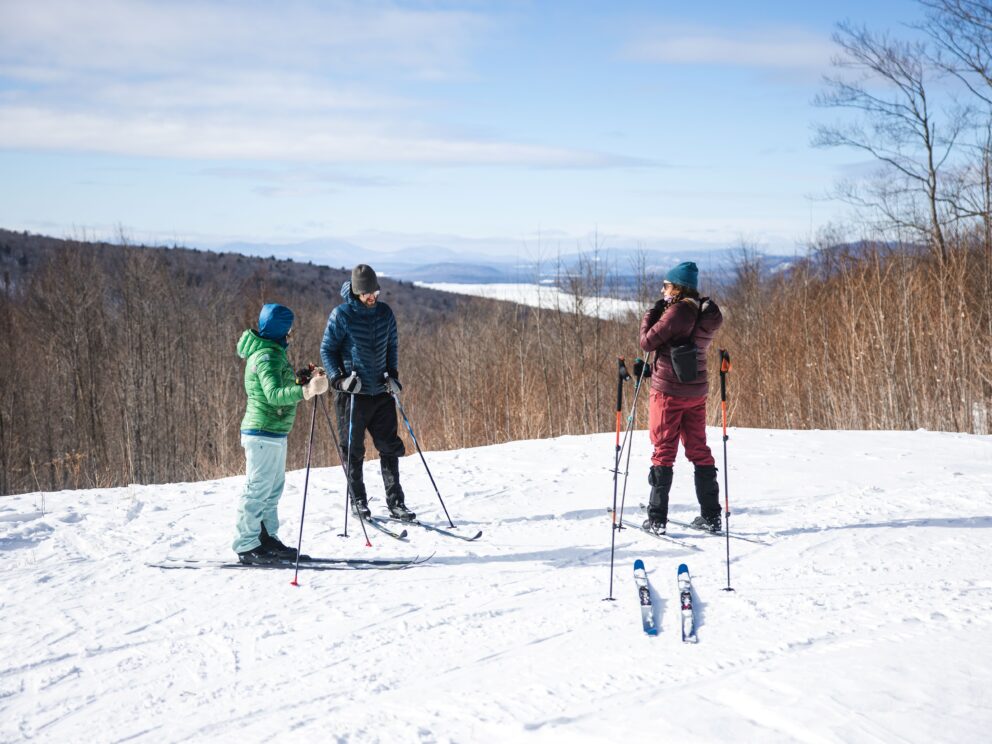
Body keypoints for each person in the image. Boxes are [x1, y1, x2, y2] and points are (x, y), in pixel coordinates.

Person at [233, 303, 328, 563]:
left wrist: (303, 378)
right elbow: (274, 395)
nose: (290, 335)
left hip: (273, 432)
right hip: (262, 431)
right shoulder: (266, 356)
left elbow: (279, 384)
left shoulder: (272, 352)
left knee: (272, 489)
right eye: (288, 330)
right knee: (258, 488)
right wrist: (307, 391)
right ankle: (246, 543)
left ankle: (266, 538)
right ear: (280, 330)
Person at [320, 264, 415, 522]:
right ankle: (358, 502)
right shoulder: (341, 315)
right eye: (366, 293)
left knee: (389, 446)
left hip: (381, 392)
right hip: (353, 394)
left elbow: (392, 346)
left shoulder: (385, 313)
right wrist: (339, 379)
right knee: (353, 449)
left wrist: (393, 376)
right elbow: (327, 350)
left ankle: (397, 503)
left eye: (374, 291)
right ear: (355, 291)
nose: (371, 297)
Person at [638, 261, 724, 534]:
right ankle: (711, 516)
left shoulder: (677, 313)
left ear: (677, 287)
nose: (662, 290)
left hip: (669, 393)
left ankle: (657, 518)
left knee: (663, 450)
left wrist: (651, 313)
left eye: (665, 285)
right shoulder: (704, 312)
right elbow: (681, 350)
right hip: (696, 389)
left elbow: (647, 342)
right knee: (699, 449)